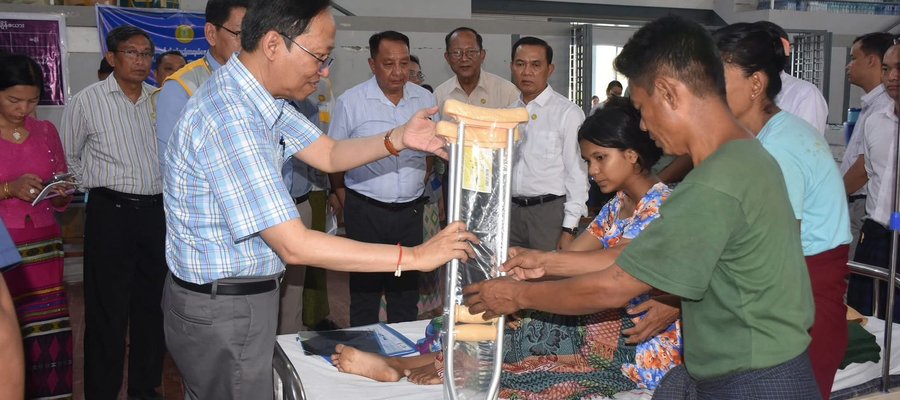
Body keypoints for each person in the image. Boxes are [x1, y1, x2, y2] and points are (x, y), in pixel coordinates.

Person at [465, 16, 819, 398]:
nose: (645, 127)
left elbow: (616, 285)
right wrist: (545, 263)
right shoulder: (745, 156)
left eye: (642, 108)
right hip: (740, 369)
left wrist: (517, 296)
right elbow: (638, 258)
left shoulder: (715, 183)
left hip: (754, 382)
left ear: (668, 92)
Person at [161, 1, 476, 398]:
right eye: (319, 57)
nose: (324, 71)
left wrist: (398, 138)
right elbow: (295, 244)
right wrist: (414, 256)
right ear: (273, 44)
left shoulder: (260, 98)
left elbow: (328, 153)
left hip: (238, 298)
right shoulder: (231, 117)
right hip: (224, 307)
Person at [331, 100, 682, 398]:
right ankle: (405, 364)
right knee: (503, 316)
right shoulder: (618, 204)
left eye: (600, 158)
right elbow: (574, 257)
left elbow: (619, 263)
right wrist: (529, 269)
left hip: (636, 341)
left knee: (531, 333)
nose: (592, 171)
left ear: (632, 155)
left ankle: (410, 364)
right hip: (605, 317)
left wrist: (538, 270)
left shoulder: (665, 207)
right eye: (588, 160)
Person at [714, 22, 851, 398]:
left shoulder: (780, 146)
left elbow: (773, 249)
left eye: (717, 79)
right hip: (786, 294)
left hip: (800, 302)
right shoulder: (763, 137)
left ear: (756, 84)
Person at [61, 26, 166, 400]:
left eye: (146, 54)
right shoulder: (87, 101)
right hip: (111, 214)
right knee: (107, 310)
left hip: (156, 214)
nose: (141, 61)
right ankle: (102, 392)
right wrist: (96, 184)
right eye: (132, 53)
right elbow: (69, 158)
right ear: (112, 57)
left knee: (151, 307)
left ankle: (145, 389)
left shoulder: (160, 100)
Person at [328, 31, 435, 327]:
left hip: (410, 212)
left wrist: (420, 180)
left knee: (406, 291)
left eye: (404, 63)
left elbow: (430, 151)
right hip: (366, 210)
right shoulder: (352, 102)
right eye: (388, 64)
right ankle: (362, 349)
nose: (398, 72)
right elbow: (333, 156)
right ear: (372, 64)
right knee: (366, 290)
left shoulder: (425, 100)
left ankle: (404, 348)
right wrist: (343, 197)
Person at [0, 53, 74, 400]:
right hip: (5, 245)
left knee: (46, 330)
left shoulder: (45, 131)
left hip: (45, 245)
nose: (23, 109)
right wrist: (8, 189)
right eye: (14, 100)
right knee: (7, 330)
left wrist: (60, 193)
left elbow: (60, 182)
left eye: (31, 101)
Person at [509, 36, 588, 251]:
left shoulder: (568, 113)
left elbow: (577, 174)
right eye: (520, 64)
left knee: (548, 272)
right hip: (510, 212)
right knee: (508, 270)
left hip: (549, 213)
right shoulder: (507, 113)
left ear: (549, 69)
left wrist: (569, 228)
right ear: (512, 67)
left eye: (536, 65)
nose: (527, 72)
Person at [155, 0, 248, 173]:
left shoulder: (262, 81)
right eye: (240, 34)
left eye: (255, 35)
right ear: (211, 34)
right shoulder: (181, 87)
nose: (249, 44)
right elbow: (172, 165)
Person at [841, 32, 896, 315]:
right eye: (887, 69)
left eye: (899, 69)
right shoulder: (877, 120)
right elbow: (868, 171)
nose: (892, 77)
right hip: (875, 229)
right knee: (864, 311)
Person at [434, 27, 519, 117]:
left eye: (471, 52)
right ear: (447, 57)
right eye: (457, 53)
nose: (464, 59)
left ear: (482, 55)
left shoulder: (508, 92)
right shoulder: (439, 95)